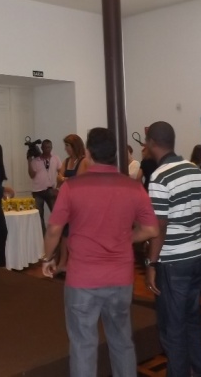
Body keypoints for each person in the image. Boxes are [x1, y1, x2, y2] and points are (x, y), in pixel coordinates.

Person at [42, 127, 159, 377]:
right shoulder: (133, 187)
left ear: (88, 153)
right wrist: (127, 238)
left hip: (82, 279)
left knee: (83, 345)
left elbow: (54, 230)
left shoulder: (72, 187)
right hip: (120, 279)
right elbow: (151, 229)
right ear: (115, 153)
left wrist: (47, 258)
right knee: (122, 342)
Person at [143, 121, 201, 377]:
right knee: (192, 322)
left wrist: (151, 264)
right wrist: (187, 212)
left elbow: (159, 227)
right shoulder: (194, 169)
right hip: (199, 257)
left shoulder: (159, 176)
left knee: (172, 330)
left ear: (152, 143)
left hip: (173, 262)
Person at [55, 133, 88, 276]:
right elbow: (59, 178)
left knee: (75, 234)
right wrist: (64, 179)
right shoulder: (67, 161)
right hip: (67, 201)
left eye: (67, 146)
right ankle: (62, 263)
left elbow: (79, 181)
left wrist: (64, 179)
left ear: (75, 146)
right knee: (65, 234)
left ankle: (75, 264)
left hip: (79, 203)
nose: (66, 149)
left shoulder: (84, 161)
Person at [27, 139, 62, 235]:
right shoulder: (36, 160)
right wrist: (29, 161)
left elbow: (61, 172)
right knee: (39, 216)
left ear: (52, 147)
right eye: (45, 147)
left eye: (49, 147)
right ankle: (43, 237)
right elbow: (32, 175)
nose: (47, 149)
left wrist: (58, 187)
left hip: (51, 189)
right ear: (42, 148)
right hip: (37, 191)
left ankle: (58, 237)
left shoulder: (56, 158)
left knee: (56, 214)